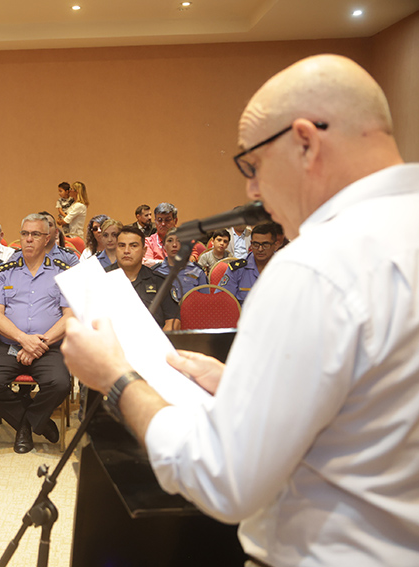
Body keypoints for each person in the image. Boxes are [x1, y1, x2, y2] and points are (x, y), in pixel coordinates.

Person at [61, 54, 419, 566]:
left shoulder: (316, 266)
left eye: (253, 165)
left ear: (305, 142)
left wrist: (116, 379)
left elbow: (223, 479)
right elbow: (378, 402)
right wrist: (243, 385)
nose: (251, 190)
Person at [0, 213, 74, 453]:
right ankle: (35, 423)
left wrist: (38, 344)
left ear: (47, 238)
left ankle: (25, 425)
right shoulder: (4, 272)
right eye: (25, 234)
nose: (29, 239)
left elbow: (70, 316)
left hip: (49, 346)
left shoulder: (63, 272)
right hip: (10, 345)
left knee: (60, 383)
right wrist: (23, 339)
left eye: (35, 234)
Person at [105, 225, 180, 330]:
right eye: (121, 245)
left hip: (152, 338)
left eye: (133, 246)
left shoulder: (160, 282)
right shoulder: (100, 278)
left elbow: (173, 322)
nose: (126, 251)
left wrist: (159, 340)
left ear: (144, 251)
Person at [218, 223, 279, 304]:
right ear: (251, 244)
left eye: (265, 245)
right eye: (256, 244)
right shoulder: (237, 269)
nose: (260, 249)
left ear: (275, 245)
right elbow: (221, 300)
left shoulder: (285, 268)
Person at [152, 229, 207, 303]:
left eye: (179, 241)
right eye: (170, 241)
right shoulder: (155, 272)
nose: (174, 245)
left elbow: (205, 302)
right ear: (164, 246)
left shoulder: (197, 271)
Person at [143, 202, 177, 266]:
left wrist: (157, 262)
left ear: (175, 221)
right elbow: (148, 264)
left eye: (167, 220)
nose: (163, 224)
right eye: (159, 220)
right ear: (155, 221)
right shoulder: (148, 242)